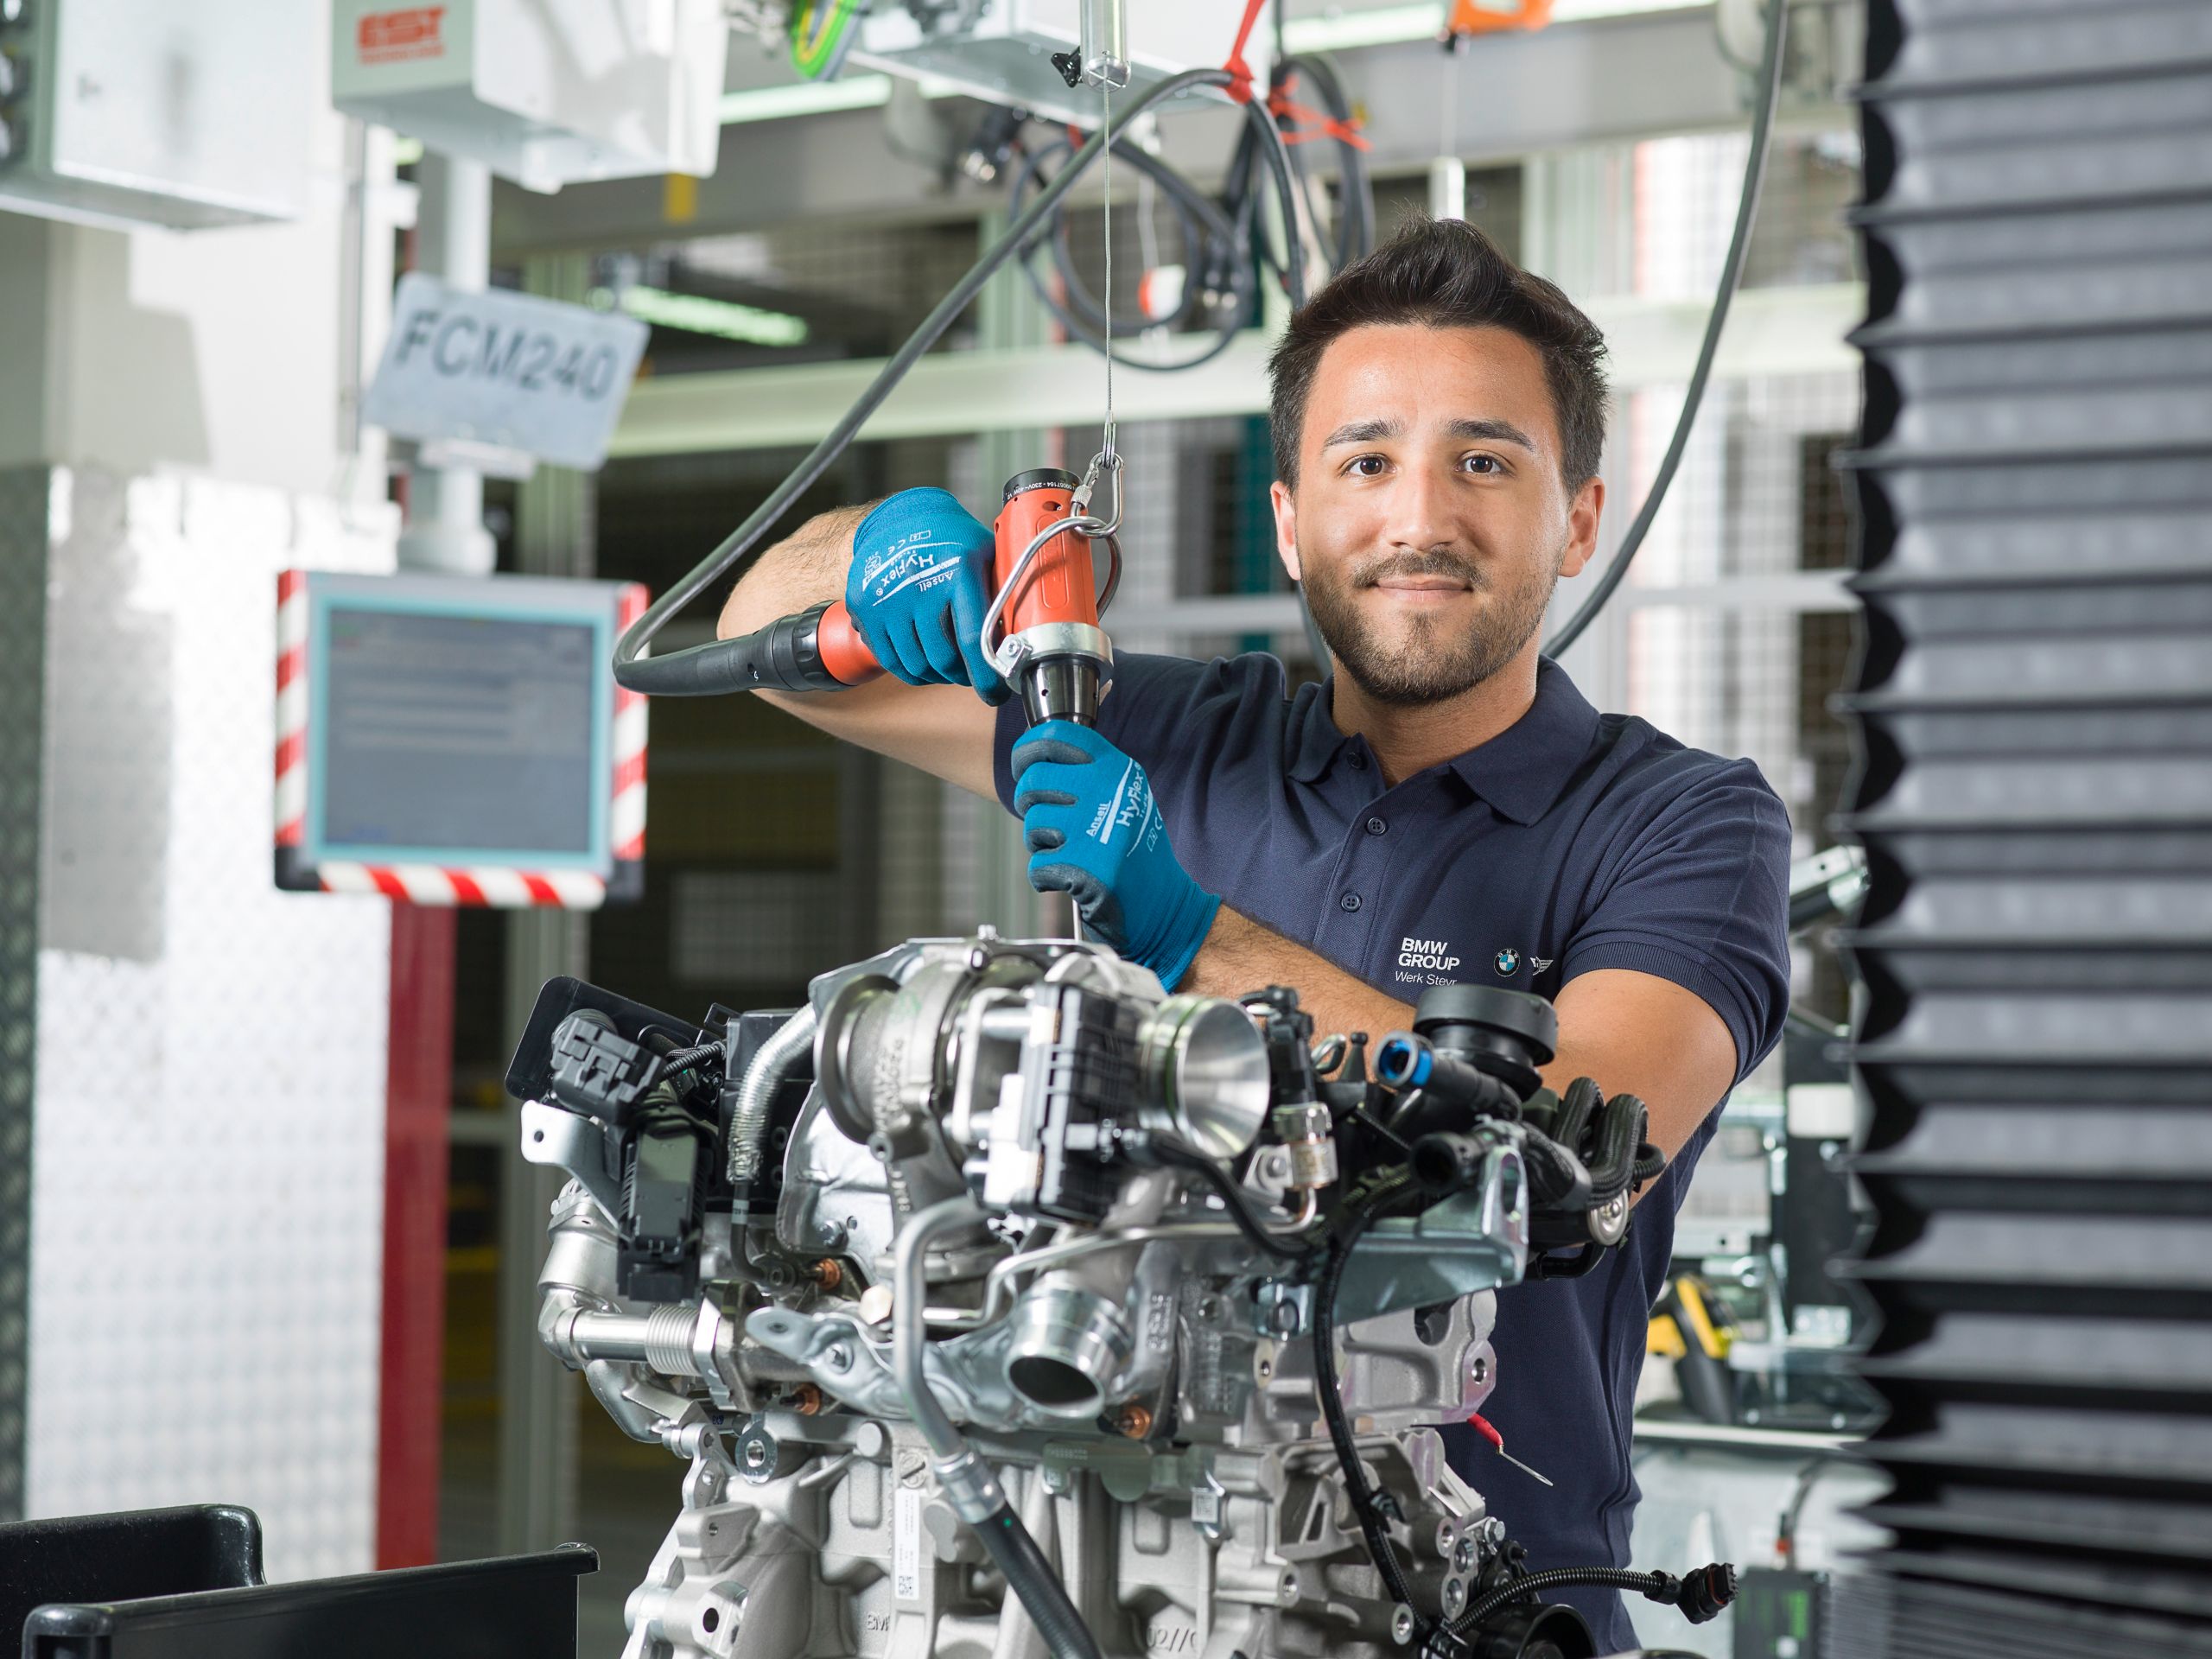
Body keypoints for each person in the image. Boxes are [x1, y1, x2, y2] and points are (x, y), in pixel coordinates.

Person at [719, 215, 1792, 1650]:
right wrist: (890, 550)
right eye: (1365, 463)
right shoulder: (1185, 735)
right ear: (1291, 521)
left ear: (1578, 517)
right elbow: (758, 636)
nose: (1419, 517)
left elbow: (1572, 1144)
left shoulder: (1684, 824)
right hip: (1121, 1563)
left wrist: (1185, 928)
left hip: (1476, 1595)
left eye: (1485, 460)